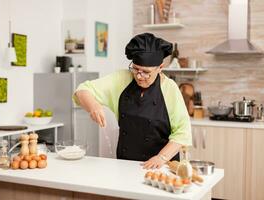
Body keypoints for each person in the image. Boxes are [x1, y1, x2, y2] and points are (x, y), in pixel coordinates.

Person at [73, 33, 191, 169]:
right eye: (135, 69)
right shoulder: (122, 79)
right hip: (125, 164)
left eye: (146, 72)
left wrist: (161, 158)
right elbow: (82, 90)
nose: (139, 76)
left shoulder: (170, 88)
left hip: (161, 165)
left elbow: (183, 133)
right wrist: (93, 105)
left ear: (160, 68)